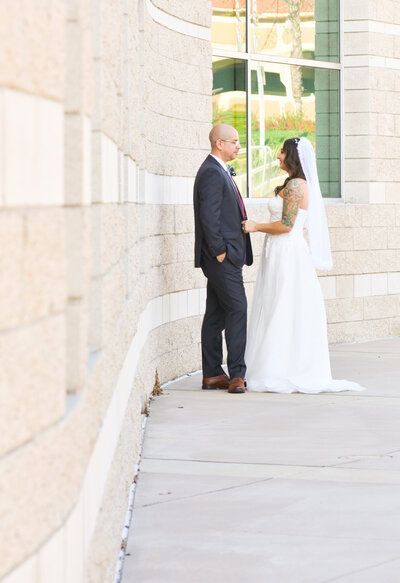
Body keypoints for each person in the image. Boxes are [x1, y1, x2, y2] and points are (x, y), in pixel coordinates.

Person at [242, 137, 363, 393]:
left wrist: (255, 226)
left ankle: (278, 369)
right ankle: (275, 364)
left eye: (282, 152)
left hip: (287, 251)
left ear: (293, 157)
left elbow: (286, 225)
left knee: (282, 305)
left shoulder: (297, 185)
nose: (278, 156)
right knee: (276, 302)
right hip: (279, 250)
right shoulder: (295, 183)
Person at [193, 124, 253, 394]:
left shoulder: (218, 170)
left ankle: (213, 374)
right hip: (220, 258)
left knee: (216, 314)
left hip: (224, 257)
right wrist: (220, 251)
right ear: (220, 143)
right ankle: (237, 374)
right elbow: (209, 216)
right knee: (238, 308)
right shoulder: (211, 172)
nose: (239, 146)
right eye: (235, 141)